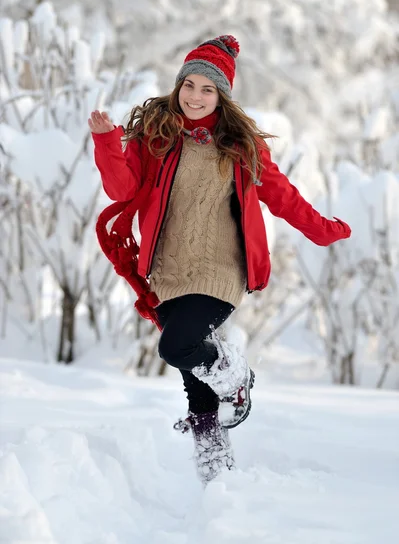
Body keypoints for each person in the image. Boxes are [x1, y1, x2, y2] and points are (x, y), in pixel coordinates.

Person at [89, 35, 351, 484]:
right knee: (193, 377)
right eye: (189, 85)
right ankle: (215, 469)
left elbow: (283, 197)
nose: (194, 96)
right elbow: (121, 189)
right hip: (168, 270)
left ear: (222, 95)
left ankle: (235, 376)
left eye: (207, 89)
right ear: (178, 86)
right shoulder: (157, 137)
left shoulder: (241, 146)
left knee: (177, 347)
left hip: (221, 270)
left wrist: (324, 228)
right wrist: (106, 142)